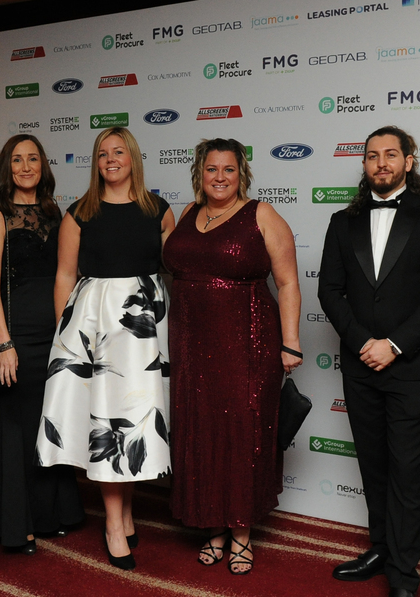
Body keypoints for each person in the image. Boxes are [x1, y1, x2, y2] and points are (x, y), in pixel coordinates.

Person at [317, 125, 420, 597]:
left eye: (390, 155)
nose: (381, 163)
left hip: (411, 367)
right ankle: (380, 549)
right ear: (364, 164)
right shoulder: (342, 222)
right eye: (372, 156)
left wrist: (394, 345)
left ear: (408, 161)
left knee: (406, 470)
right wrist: (364, 342)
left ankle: (403, 572)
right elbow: (329, 290)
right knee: (373, 465)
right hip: (360, 365)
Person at [35, 126, 175, 571]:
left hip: (143, 330)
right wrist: (66, 339)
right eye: (102, 154)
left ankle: (126, 512)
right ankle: (114, 524)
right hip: (94, 328)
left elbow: (173, 271)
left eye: (118, 152)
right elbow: (65, 276)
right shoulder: (79, 213)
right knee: (106, 422)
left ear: (133, 157)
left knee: (133, 419)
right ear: (95, 163)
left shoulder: (159, 211)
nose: (110, 159)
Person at [165, 138, 302, 575]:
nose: (219, 177)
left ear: (241, 173)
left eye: (228, 169)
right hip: (190, 345)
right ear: (199, 173)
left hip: (247, 344)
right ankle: (213, 525)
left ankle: (241, 532)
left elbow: (288, 283)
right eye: (211, 169)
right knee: (201, 431)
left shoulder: (262, 215)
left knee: (242, 434)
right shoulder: (188, 212)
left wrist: (291, 342)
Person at [0, 135, 85, 555]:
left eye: (33, 159)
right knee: (18, 429)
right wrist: (4, 343)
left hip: (55, 332)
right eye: (18, 160)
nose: (26, 167)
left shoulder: (53, 211)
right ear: (7, 167)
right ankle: (16, 525)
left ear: (43, 165)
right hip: (17, 337)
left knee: (51, 423)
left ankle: (50, 515)